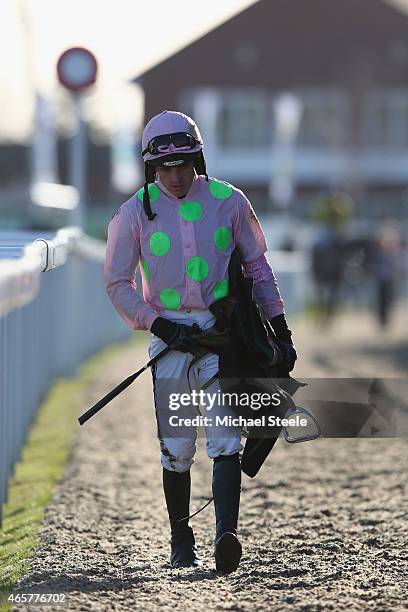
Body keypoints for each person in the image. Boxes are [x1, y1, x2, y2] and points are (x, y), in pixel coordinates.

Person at [104, 110, 297, 573]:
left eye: (184, 164)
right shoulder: (132, 213)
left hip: (221, 335)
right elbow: (116, 283)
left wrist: (280, 328)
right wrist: (158, 324)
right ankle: (180, 538)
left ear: (198, 159)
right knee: (177, 445)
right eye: (165, 168)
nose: (175, 176)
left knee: (226, 437)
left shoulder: (229, 202)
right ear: (151, 168)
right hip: (168, 338)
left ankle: (226, 535)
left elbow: (258, 269)